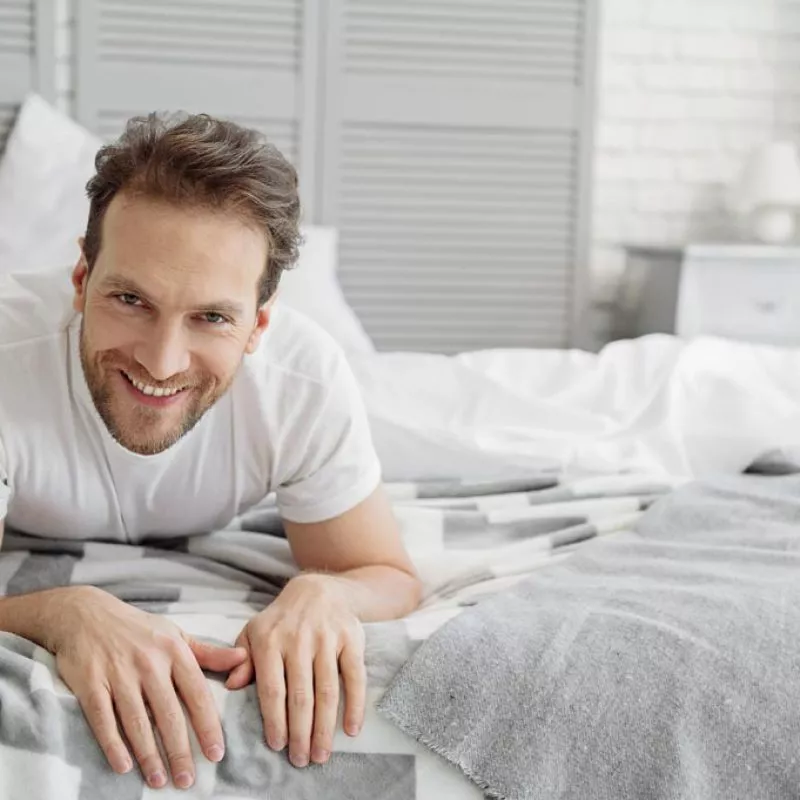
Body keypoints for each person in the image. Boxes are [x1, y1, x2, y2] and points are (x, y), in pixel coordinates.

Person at [0, 112, 422, 790]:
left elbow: (386, 573)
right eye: (131, 299)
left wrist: (324, 593)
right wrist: (61, 610)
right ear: (81, 278)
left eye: (212, 317)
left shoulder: (302, 382)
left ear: (258, 323)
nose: (162, 362)